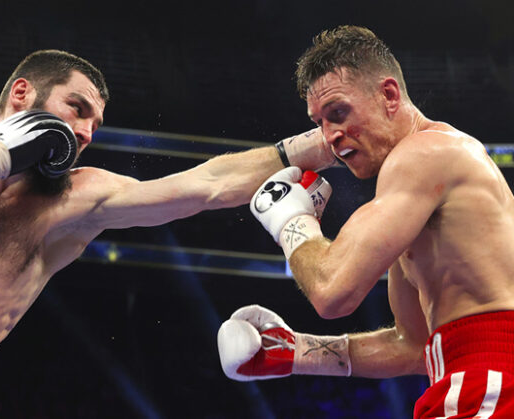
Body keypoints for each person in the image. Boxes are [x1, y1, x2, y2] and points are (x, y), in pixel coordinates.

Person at [0, 49, 338, 418]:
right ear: (21, 94)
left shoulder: (75, 197)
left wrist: (322, 144)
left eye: (94, 125)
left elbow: (204, 186)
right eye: (76, 110)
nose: (85, 133)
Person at [217, 25, 514, 418]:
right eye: (320, 122)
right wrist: (295, 351)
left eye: (338, 113)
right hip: (476, 376)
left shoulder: (424, 154)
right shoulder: (419, 193)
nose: (330, 137)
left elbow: (332, 291)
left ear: (389, 95)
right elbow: (413, 345)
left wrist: (291, 221)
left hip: (492, 380)